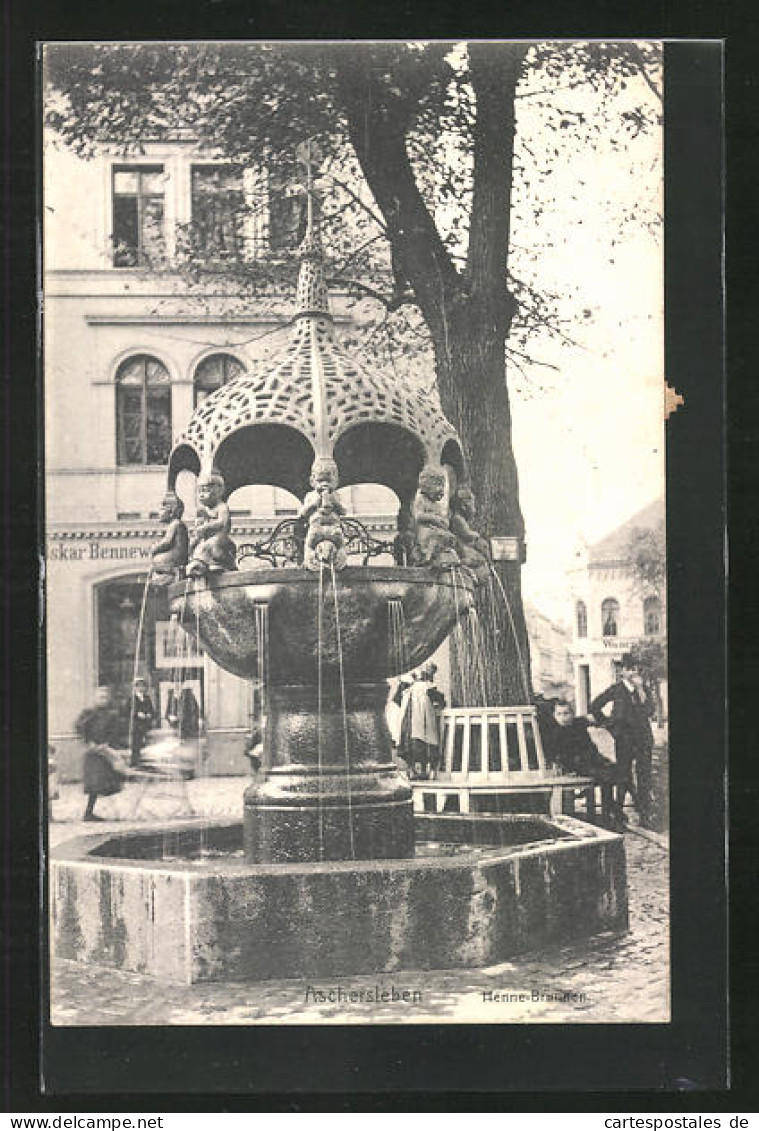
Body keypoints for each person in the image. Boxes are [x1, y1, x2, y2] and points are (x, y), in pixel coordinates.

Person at [590, 654, 656, 828]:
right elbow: (595, 705)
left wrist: (641, 690)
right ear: (622, 672)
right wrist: (607, 724)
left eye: (636, 669)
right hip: (624, 739)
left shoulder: (644, 690)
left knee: (644, 777)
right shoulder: (616, 689)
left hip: (643, 739)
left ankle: (645, 816)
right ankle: (618, 815)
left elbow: (650, 711)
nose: (634, 672)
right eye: (630, 669)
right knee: (623, 775)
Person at [543, 699, 625, 830]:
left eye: (566, 713)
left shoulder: (578, 725)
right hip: (573, 765)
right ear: (554, 715)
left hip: (589, 761)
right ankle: (610, 815)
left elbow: (590, 746)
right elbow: (555, 755)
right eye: (559, 714)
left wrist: (601, 759)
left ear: (572, 714)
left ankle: (611, 811)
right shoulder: (554, 732)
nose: (563, 718)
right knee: (606, 776)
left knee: (616, 771)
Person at [74, 687, 131, 821]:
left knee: (109, 783)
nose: (103, 700)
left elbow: (116, 731)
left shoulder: (112, 714)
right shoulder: (88, 713)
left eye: (105, 697)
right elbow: (79, 727)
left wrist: (108, 743)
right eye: (100, 697)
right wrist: (89, 742)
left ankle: (111, 812)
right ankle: (88, 813)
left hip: (106, 752)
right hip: (93, 753)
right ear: (95, 698)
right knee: (95, 784)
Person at [399, 663, 446, 779]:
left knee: (418, 738)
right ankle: (418, 769)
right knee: (421, 737)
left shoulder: (416, 689)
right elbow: (440, 700)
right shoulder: (422, 688)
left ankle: (417, 769)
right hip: (417, 716)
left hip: (417, 716)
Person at [129, 677, 155, 767]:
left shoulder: (147, 698)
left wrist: (149, 714)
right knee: (136, 745)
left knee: (147, 745)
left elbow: (152, 710)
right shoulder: (132, 699)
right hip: (136, 726)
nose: (141, 688)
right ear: (135, 688)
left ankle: (146, 764)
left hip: (146, 725)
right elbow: (126, 712)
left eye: (143, 686)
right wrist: (136, 714)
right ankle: (135, 763)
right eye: (139, 686)